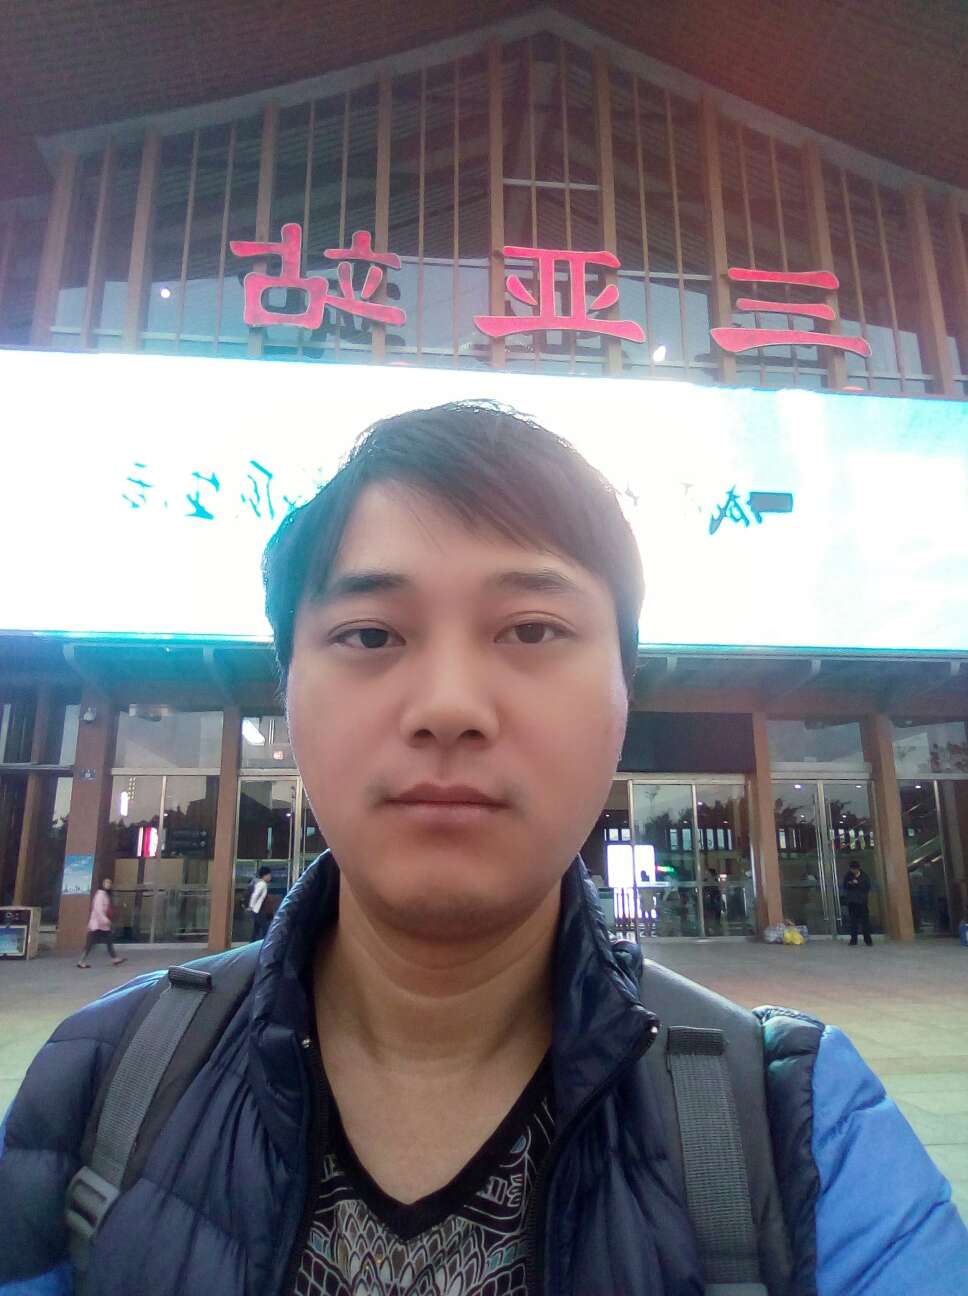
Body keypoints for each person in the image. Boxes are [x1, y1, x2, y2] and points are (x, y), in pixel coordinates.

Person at [2, 403, 966, 1295]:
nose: (450, 706)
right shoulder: (99, 1086)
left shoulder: (797, 1125)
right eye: (370, 634)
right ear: (288, 690)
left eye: (533, 629)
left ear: (623, 693)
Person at [76, 876, 126, 968]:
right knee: (89, 943)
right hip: (96, 924)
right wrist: (105, 920)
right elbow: (98, 910)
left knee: (109, 941)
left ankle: (114, 958)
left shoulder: (105, 894)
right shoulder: (100, 894)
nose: (108, 884)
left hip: (102, 925)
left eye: (109, 883)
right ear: (102, 884)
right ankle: (81, 961)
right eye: (106, 882)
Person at [842, 858, 874, 946]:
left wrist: (858, 883)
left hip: (862, 902)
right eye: (851, 869)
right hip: (852, 902)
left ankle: (868, 940)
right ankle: (853, 940)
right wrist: (850, 883)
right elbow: (845, 885)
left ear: (858, 868)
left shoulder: (864, 876)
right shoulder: (848, 875)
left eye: (854, 869)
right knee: (853, 922)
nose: (853, 871)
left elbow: (867, 887)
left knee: (865, 922)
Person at [246, 864, 274, 940]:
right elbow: (255, 895)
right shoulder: (262, 884)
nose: (270, 877)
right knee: (265, 929)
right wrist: (251, 906)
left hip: (257, 910)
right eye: (269, 875)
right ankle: (265, 944)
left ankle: (253, 943)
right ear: (265, 875)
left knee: (257, 930)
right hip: (259, 910)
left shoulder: (260, 883)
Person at [702, 864, 724, 935]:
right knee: (708, 917)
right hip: (707, 903)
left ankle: (716, 930)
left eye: (707, 873)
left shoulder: (716, 882)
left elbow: (719, 892)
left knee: (716, 917)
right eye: (706, 873)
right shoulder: (704, 882)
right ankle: (708, 930)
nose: (706, 875)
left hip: (715, 902)